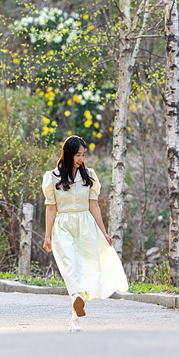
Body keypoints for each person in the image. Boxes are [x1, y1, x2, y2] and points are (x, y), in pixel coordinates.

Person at [42, 135, 128, 331]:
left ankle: (75, 315)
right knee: (71, 266)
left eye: (83, 155)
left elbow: (94, 206)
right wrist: (47, 236)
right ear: (68, 154)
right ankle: (78, 301)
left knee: (88, 267)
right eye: (77, 155)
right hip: (63, 226)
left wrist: (104, 232)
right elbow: (50, 208)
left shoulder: (89, 176)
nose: (81, 159)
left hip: (86, 225)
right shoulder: (52, 177)